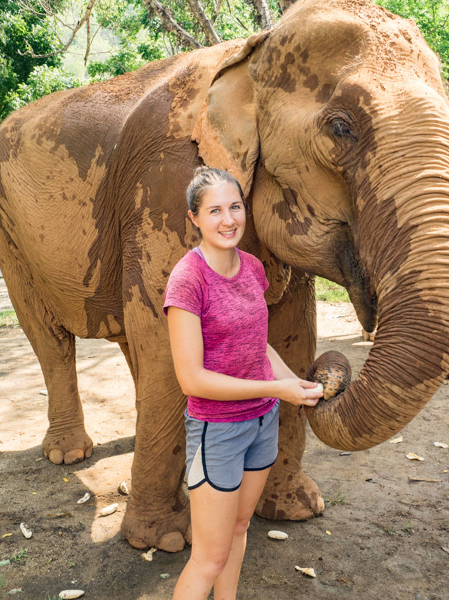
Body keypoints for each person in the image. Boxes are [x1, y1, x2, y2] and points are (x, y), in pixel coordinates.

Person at [164, 167, 323, 600]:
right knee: (208, 558)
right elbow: (191, 379)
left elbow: (259, 348)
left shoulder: (252, 267)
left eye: (235, 207)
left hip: (261, 424)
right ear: (194, 218)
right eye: (214, 210)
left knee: (239, 528)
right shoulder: (187, 280)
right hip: (218, 431)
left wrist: (295, 384)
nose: (228, 219)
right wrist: (276, 390)